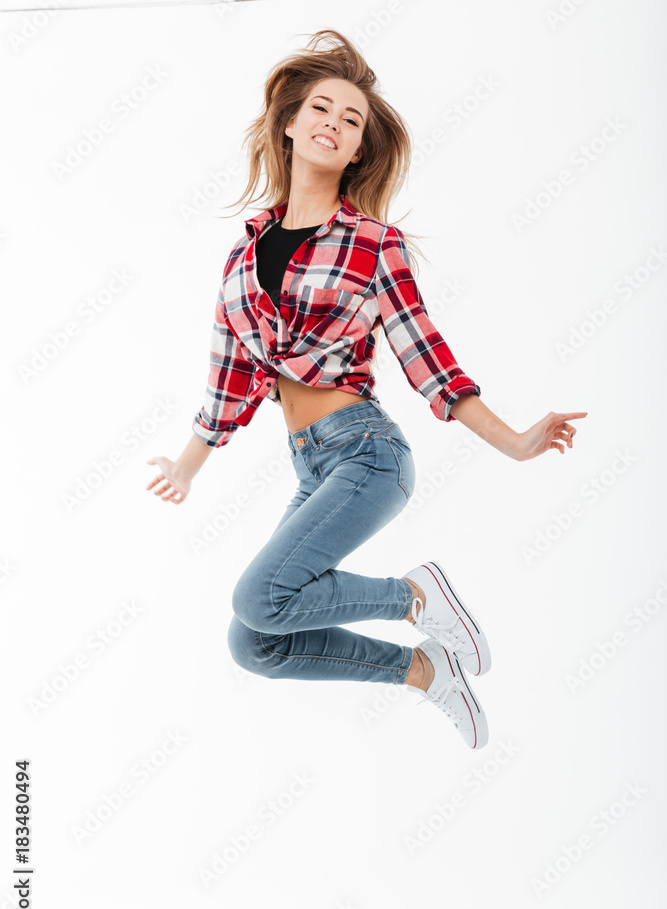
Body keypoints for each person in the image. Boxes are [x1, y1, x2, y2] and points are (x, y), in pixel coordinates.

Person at [145, 29, 586, 750]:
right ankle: (421, 671)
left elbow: (425, 355)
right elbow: (230, 372)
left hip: (366, 454)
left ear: (356, 152)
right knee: (255, 641)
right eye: (321, 108)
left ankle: (416, 595)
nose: (333, 123)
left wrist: (512, 442)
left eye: (350, 121)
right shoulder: (242, 252)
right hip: (310, 464)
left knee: (260, 596)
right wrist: (185, 466)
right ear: (289, 124)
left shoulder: (372, 242)